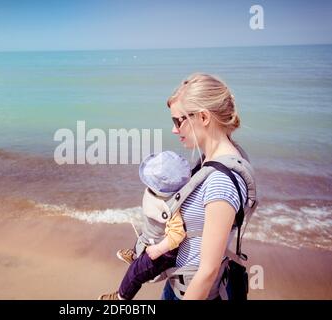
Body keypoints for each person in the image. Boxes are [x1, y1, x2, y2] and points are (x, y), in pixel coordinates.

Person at [162, 73, 251, 300]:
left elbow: (208, 271)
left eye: (178, 120)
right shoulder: (219, 157)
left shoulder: (220, 181)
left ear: (203, 117)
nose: (174, 129)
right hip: (181, 283)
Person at [98, 150, 191, 300]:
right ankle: (135, 255)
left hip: (164, 253)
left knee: (135, 272)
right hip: (151, 237)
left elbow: (177, 234)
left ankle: (122, 296)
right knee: (142, 236)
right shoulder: (155, 195)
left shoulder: (173, 208)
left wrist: (159, 249)